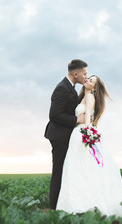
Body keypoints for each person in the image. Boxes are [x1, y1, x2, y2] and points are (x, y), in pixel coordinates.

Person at [56, 75, 122, 217]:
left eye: (91, 81)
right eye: (88, 78)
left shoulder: (89, 97)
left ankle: (85, 204)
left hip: (81, 133)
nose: (87, 80)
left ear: (94, 88)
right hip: (80, 132)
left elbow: (88, 116)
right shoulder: (83, 97)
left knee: (81, 168)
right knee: (83, 168)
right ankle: (84, 203)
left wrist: (87, 134)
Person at [44, 59, 88, 210]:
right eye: (84, 73)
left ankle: (63, 204)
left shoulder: (71, 88)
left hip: (65, 136)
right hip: (59, 136)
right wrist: (77, 119)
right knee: (59, 172)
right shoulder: (62, 88)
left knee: (65, 171)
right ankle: (54, 207)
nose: (86, 76)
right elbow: (54, 115)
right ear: (76, 74)